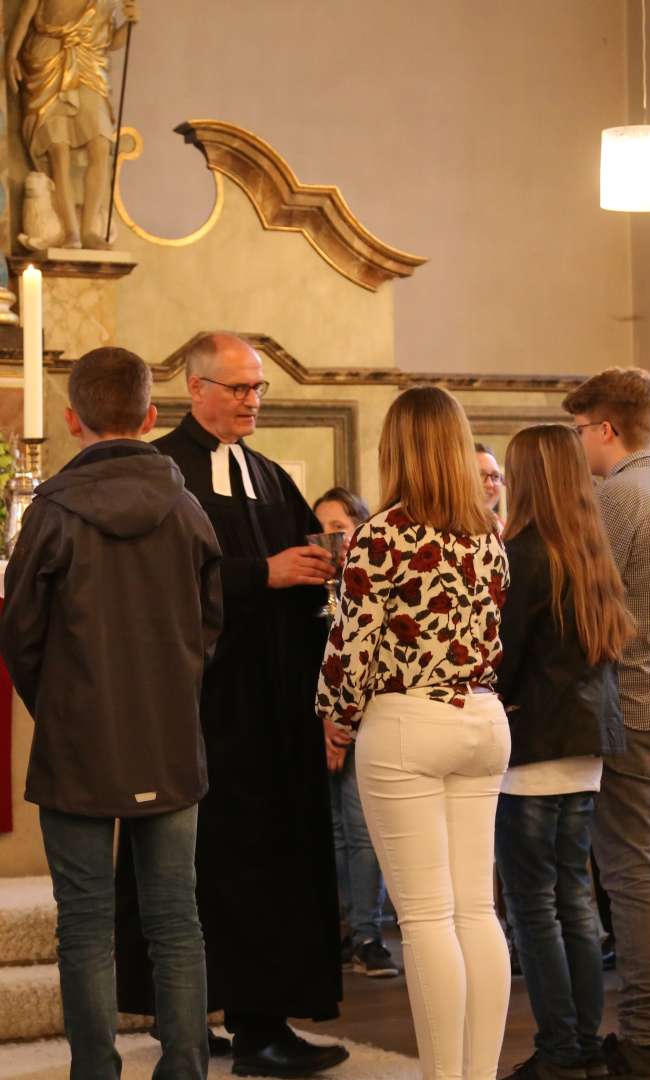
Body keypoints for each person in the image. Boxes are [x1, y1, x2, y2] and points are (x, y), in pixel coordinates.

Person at [114, 333, 347, 1079]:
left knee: (268, 863)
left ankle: (261, 1023)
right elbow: (152, 584)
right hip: (201, 706)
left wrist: (320, 571)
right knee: (202, 866)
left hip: (273, 708)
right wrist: (261, 574)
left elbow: (293, 573)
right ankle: (193, 1016)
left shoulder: (268, 474)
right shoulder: (162, 472)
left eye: (259, 388)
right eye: (239, 388)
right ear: (196, 389)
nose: (252, 401)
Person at [0, 347, 222, 1079]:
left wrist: (62, 706)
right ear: (152, 416)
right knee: (176, 921)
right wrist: (169, 693)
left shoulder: (53, 512)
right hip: (168, 738)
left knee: (87, 924)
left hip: (79, 742)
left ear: (72, 420)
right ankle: (185, 1069)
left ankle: (94, 1072)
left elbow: (19, 634)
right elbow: (208, 627)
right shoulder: (187, 510)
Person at [316, 386, 512, 1080]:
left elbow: (352, 647)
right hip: (483, 717)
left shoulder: (383, 533)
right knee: (475, 911)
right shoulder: (488, 532)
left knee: (426, 919)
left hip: (408, 722)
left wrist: (335, 716)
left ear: (396, 447)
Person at [563, 367, 650, 1080]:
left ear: (606, 428)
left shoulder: (617, 496)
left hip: (636, 702)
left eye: (579, 431)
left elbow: (586, 601)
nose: (578, 445)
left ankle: (645, 1035)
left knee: (631, 873)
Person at [494, 424, 633, 1080]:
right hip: (585, 743)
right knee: (574, 897)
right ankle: (582, 1045)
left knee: (534, 903)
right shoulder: (588, 547)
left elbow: (504, 657)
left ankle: (558, 1051)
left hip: (537, 744)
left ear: (527, 478)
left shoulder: (524, 552)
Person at [312, 487, 398, 978]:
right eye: (320, 528)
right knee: (335, 832)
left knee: (363, 831)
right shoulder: (312, 587)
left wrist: (345, 721)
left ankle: (368, 933)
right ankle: (346, 926)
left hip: (364, 721)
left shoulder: (372, 576)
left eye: (338, 528)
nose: (329, 538)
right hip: (321, 722)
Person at [6, 0, 140, 249]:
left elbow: (109, 40)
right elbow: (25, 17)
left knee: (100, 144)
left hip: (88, 67)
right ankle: (71, 232)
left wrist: (129, 24)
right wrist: (11, 56)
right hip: (49, 61)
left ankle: (88, 230)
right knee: (58, 151)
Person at [475, 442, 505, 526]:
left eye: (495, 476)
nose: (490, 484)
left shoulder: (504, 528)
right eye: (481, 475)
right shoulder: (447, 530)